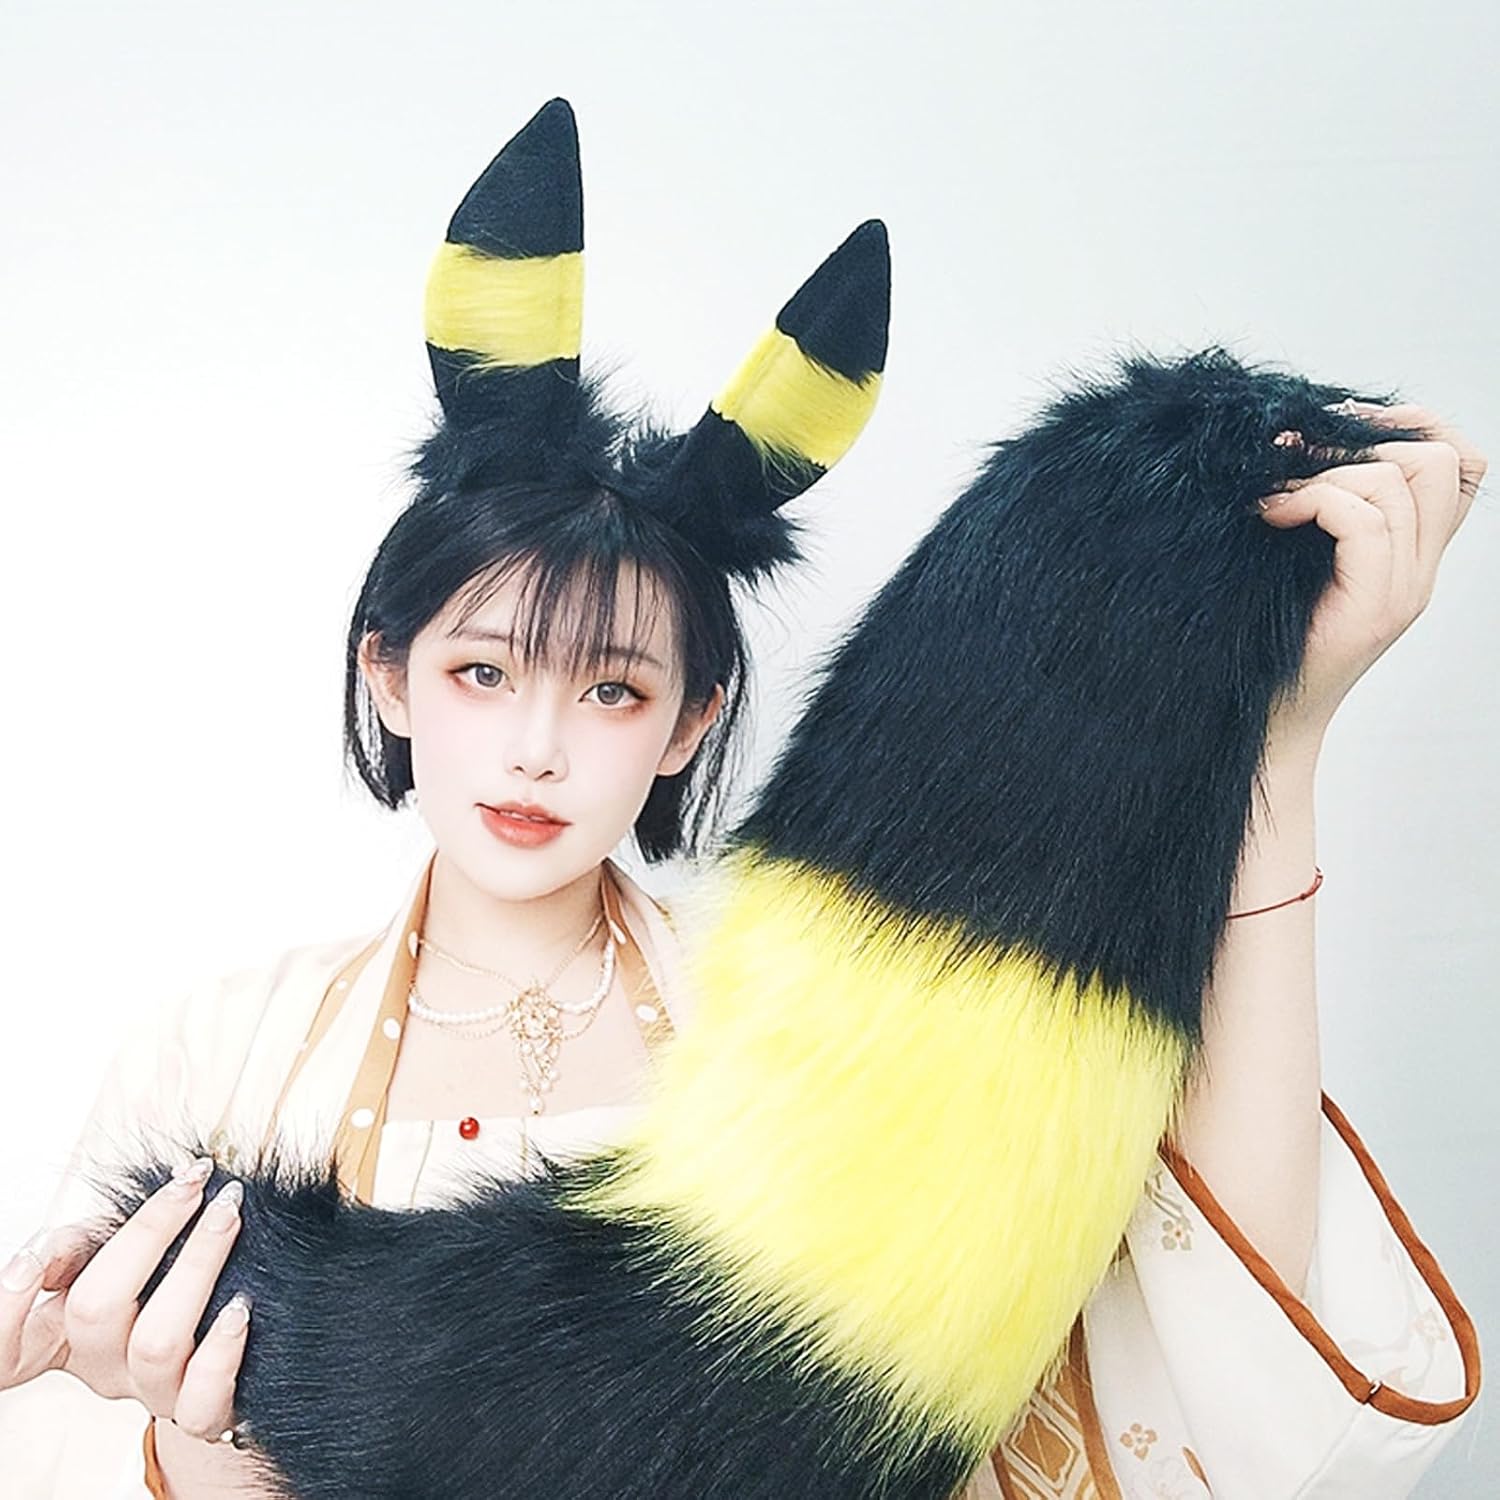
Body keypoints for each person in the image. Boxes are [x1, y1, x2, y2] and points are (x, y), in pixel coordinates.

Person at [0, 100, 1484, 1499]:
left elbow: (1221, 1322)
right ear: (387, 676)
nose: (536, 748)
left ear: (690, 723)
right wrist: (201, 1430)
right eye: (481, 673)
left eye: (612, 690)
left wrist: (1277, 743)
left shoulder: (837, 1015)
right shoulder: (220, 1051)